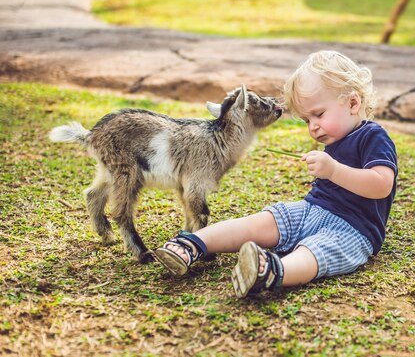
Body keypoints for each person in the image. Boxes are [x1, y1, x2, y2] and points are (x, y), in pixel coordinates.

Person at [153, 50, 398, 298]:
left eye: (319, 114)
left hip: (353, 229)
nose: (313, 126)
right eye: (306, 120)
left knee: (315, 252)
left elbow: (381, 185)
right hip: (311, 210)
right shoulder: (337, 135)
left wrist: (333, 170)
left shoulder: (374, 136)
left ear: (353, 103)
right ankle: (193, 244)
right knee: (263, 221)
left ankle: (271, 271)